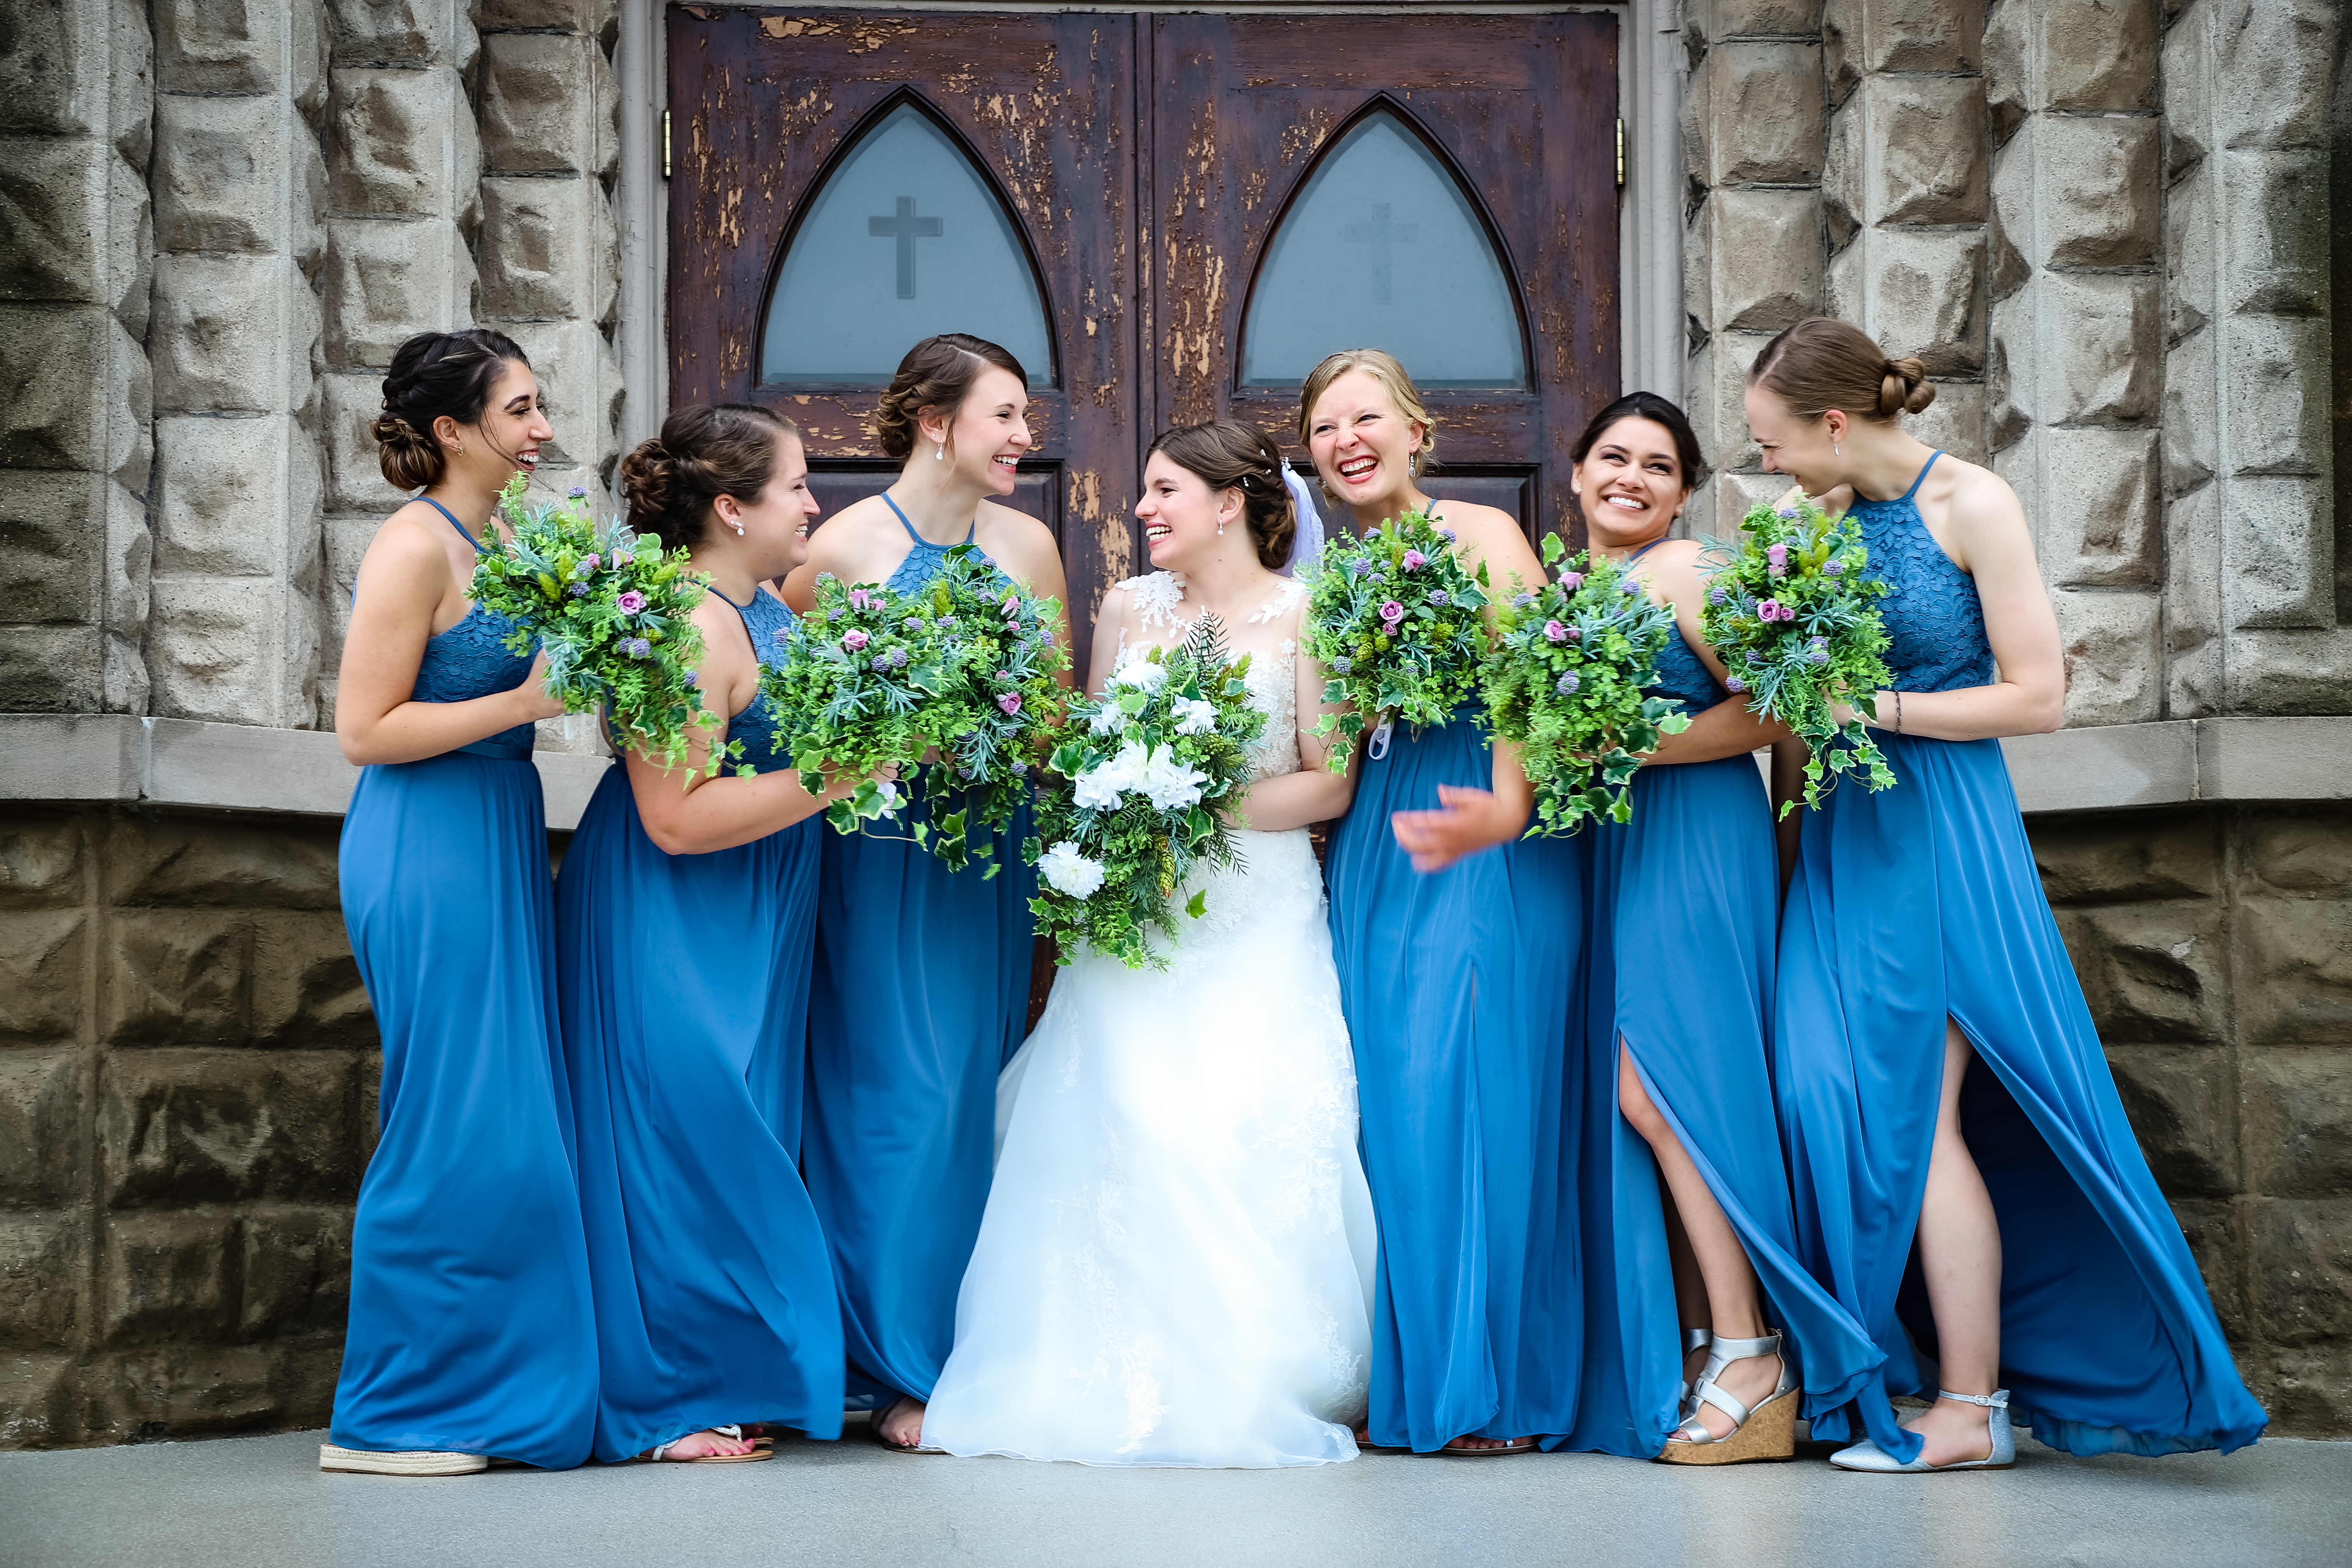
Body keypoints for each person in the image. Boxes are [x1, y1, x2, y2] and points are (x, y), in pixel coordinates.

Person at [1752, 317, 2267, 1471]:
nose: (1767, 466)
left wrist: (1869, 712)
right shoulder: (1797, 530)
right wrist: (1788, 844)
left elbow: (2036, 697)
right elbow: (1790, 711)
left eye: (1774, 442)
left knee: (1921, 1119)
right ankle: (1868, 1366)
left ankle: (1968, 1410)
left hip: (1939, 829)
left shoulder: (1970, 503)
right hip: (1840, 833)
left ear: (1834, 424)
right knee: (1818, 1090)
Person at [922, 420, 1374, 1466]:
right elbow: (1089, 751)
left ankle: (1260, 1365)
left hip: (1253, 912)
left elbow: (1329, 778)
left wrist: (1197, 804)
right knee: (1118, 1109)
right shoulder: (1128, 610)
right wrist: (1123, 799)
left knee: (1234, 1123)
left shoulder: (1311, 617)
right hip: (1135, 915)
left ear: (1227, 502)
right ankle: (1084, 1362)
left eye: (1163, 490)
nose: (1141, 510)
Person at [1541, 393, 1881, 1465]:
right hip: (1613, 848)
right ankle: (1704, 1339)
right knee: (1645, 1098)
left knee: (1665, 1090)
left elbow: (1780, 703)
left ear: (1683, 491)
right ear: (1578, 471)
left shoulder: (1683, 572)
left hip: (1694, 837)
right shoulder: (1566, 590)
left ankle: (1752, 1350)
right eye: (1612, 457)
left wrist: (1640, 746)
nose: (1630, 479)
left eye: (1655, 465)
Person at [559, 404, 877, 1464]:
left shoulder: (770, 609)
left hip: (759, 910)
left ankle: (735, 1371)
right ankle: (665, 1397)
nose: (813, 504)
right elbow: (673, 815)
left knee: (741, 1123)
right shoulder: (684, 626)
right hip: (673, 909)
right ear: (732, 510)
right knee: (678, 1131)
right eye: (794, 486)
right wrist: (843, 776)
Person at [783, 334, 1073, 1452]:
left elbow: (1050, 714)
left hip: (985, 857)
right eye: (1003, 416)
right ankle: (882, 1360)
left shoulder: (1029, 545)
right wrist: (895, 735)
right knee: (886, 1098)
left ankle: (941, 1354)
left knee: (962, 1096)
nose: (1022, 437)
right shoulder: (843, 547)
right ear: (935, 423)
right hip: (879, 851)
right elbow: (789, 707)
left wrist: (985, 721)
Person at [1300, 350, 1585, 1455]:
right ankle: (1414, 1372)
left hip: (1479, 821)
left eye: (1365, 417)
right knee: (1394, 1101)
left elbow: (1532, 680)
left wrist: (1506, 805)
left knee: (1467, 1087)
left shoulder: (1480, 536)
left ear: (1417, 429)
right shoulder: (1333, 573)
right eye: (1324, 428)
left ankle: (1484, 1390)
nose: (1345, 440)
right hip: (1378, 837)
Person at [323, 329, 595, 1476]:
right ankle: (391, 1417)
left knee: (503, 1125)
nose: (541, 430)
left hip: (494, 828)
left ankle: (480, 1391)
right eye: (521, 410)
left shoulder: (511, 538)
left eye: (540, 408)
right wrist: (529, 696)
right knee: (449, 1118)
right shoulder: (413, 547)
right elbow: (363, 732)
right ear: (452, 431)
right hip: (423, 841)